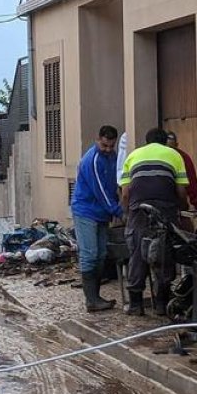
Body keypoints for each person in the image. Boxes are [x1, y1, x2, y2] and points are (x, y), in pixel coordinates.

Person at [119, 128, 189, 317]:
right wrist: (183, 207)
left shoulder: (133, 156)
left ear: (146, 141)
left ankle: (136, 305)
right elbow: (181, 190)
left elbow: (125, 193)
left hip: (138, 211)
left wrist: (128, 212)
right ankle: (161, 304)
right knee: (164, 253)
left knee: (137, 254)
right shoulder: (174, 155)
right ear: (166, 141)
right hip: (164, 211)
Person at [70, 125, 120, 313]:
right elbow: (101, 191)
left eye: (111, 146)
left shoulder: (112, 157)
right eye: (105, 145)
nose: (107, 149)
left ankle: (96, 297)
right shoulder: (92, 160)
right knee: (89, 254)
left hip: (101, 212)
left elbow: (114, 184)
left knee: (101, 255)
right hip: (86, 211)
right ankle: (91, 300)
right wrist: (118, 210)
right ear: (98, 139)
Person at [164, 131, 197, 211]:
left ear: (176, 145)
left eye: (172, 148)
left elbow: (191, 180)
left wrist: (194, 202)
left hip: (178, 201)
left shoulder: (183, 157)